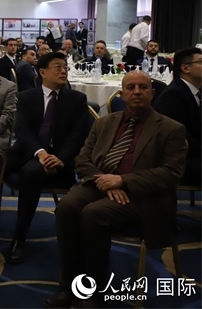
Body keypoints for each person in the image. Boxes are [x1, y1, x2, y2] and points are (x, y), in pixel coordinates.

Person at [46, 71, 186, 308]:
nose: (137, 92)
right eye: (130, 88)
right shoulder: (104, 123)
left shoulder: (171, 129)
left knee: (93, 214)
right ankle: (70, 285)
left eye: (143, 87)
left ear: (152, 93)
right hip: (100, 181)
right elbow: (82, 159)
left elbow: (171, 174)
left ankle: (95, 289)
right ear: (121, 94)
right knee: (67, 207)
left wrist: (123, 181)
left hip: (145, 195)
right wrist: (105, 180)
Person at [6, 52, 89, 264]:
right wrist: (40, 153)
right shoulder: (27, 97)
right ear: (42, 72)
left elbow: (78, 135)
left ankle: (19, 237)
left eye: (65, 67)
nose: (63, 71)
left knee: (31, 173)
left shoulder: (76, 99)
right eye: (58, 67)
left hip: (59, 156)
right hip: (29, 151)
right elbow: (22, 130)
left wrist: (60, 158)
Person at [154, 47, 201, 186]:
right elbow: (180, 139)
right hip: (181, 161)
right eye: (201, 62)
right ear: (185, 68)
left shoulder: (194, 91)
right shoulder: (174, 95)